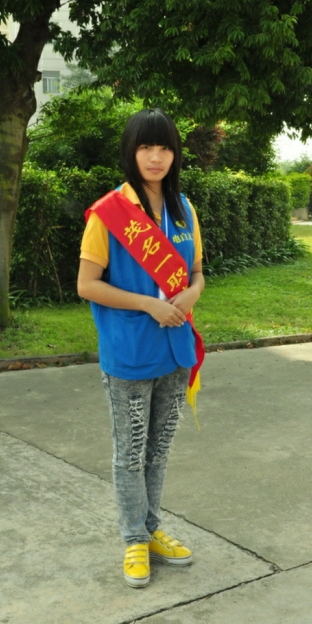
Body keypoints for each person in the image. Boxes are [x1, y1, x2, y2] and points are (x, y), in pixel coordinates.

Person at [77, 108, 204, 588]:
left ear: (175, 154)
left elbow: (196, 273)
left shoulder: (184, 208)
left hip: (175, 350)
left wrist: (191, 294)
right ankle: (133, 537)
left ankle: (151, 529)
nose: (155, 157)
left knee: (158, 451)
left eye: (165, 147)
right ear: (131, 152)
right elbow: (87, 284)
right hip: (129, 351)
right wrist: (148, 305)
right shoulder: (108, 213)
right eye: (146, 147)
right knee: (130, 452)